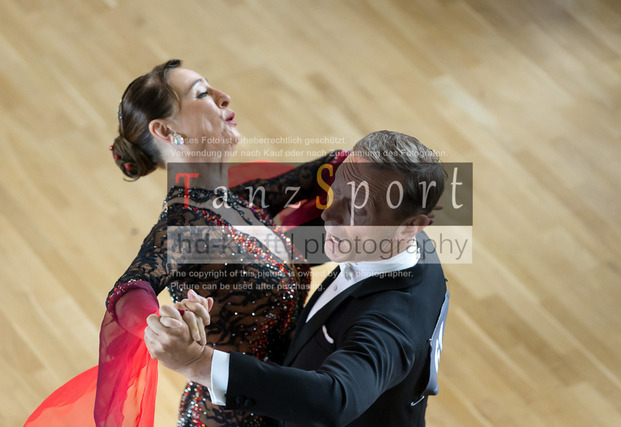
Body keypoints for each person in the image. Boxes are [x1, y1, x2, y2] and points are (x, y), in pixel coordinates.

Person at [146, 130, 451, 426]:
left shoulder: (391, 324)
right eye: (336, 193)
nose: (328, 214)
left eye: (358, 208)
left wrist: (199, 363)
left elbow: (334, 399)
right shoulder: (405, 246)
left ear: (411, 226)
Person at [104, 59, 347, 426]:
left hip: (288, 403)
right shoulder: (182, 228)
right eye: (202, 93)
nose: (224, 97)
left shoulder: (243, 201)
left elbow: (328, 169)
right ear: (166, 130)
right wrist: (159, 322)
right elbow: (128, 293)